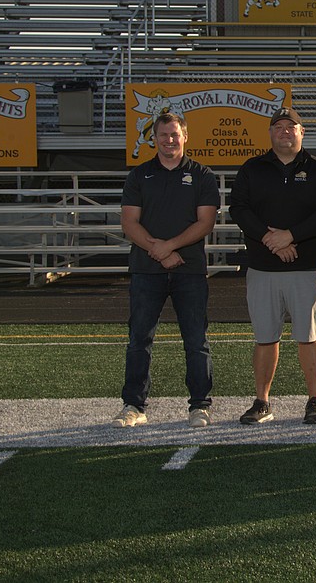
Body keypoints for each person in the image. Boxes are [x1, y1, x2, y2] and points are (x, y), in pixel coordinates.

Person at [229, 107, 316, 425]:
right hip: (264, 266)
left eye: (291, 127)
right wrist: (269, 238)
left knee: (308, 336)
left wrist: (290, 236)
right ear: (270, 133)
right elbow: (240, 209)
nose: (285, 131)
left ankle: (314, 400)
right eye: (278, 126)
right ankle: (262, 401)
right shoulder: (252, 168)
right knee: (265, 337)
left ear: (302, 133)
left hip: (306, 266)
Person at [114, 111, 219, 429]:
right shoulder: (139, 175)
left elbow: (206, 222)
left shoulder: (202, 175)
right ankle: (134, 405)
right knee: (139, 340)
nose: (169, 140)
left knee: (196, 339)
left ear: (185, 136)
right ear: (154, 138)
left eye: (175, 134)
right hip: (147, 270)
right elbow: (129, 222)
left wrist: (168, 247)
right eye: (163, 135)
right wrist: (158, 251)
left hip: (189, 270)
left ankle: (199, 405)